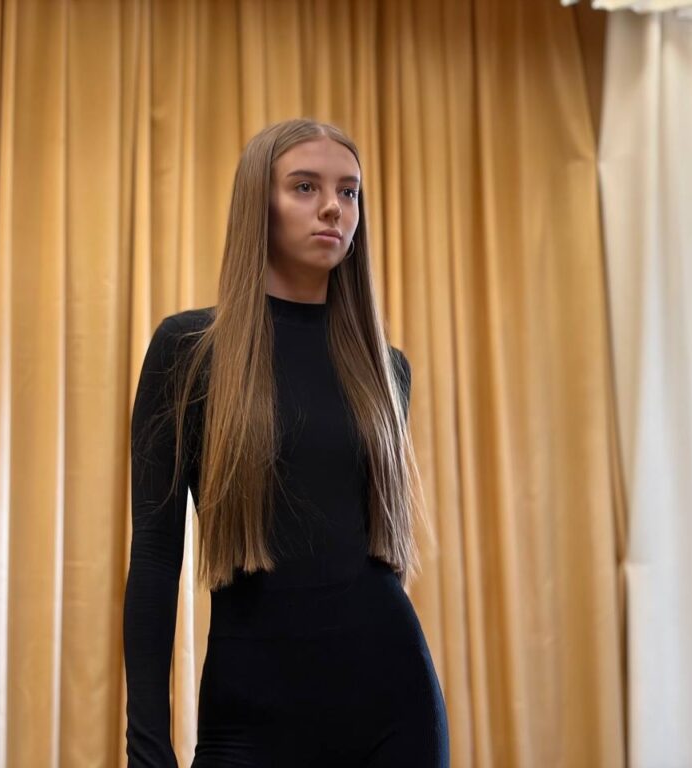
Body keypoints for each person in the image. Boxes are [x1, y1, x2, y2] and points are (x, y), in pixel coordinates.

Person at [124, 118, 450, 767]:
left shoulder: (385, 370)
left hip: (393, 709)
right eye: (306, 187)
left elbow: (374, 549)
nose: (333, 207)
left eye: (349, 191)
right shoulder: (188, 352)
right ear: (259, 204)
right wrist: (147, 749)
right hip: (250, 718)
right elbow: (157, 560)